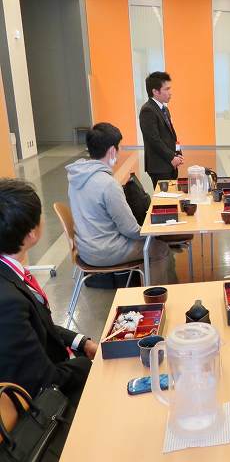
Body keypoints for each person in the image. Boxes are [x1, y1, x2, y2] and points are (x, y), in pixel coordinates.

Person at [0, 178, 96, 404]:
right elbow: (43, 381)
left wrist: (81, 341)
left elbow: (39, 324)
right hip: (45, 402)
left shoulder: (10, 274)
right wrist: (87, 365)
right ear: (32, 233)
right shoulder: (8, 302)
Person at [66, 123, 176, 285]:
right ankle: (158, 294)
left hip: (84, 249)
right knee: (160, 249)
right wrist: (155, 232)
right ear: (112, 151)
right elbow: (130, 230)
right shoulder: (108, 184)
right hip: (106, 250)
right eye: (119, 148)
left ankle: (145, 284)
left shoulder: (75, 179)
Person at [139, 71, 184, 189]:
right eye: (166, 89)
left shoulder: (164, 109)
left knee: (171, 195)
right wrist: (171, 157)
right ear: (155, 91)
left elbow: (171, 135)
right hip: (159, 166)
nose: (170, 92)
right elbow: (154, 140)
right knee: (163, 197)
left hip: (169, 163)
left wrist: (177, 153)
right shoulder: (148, 110)